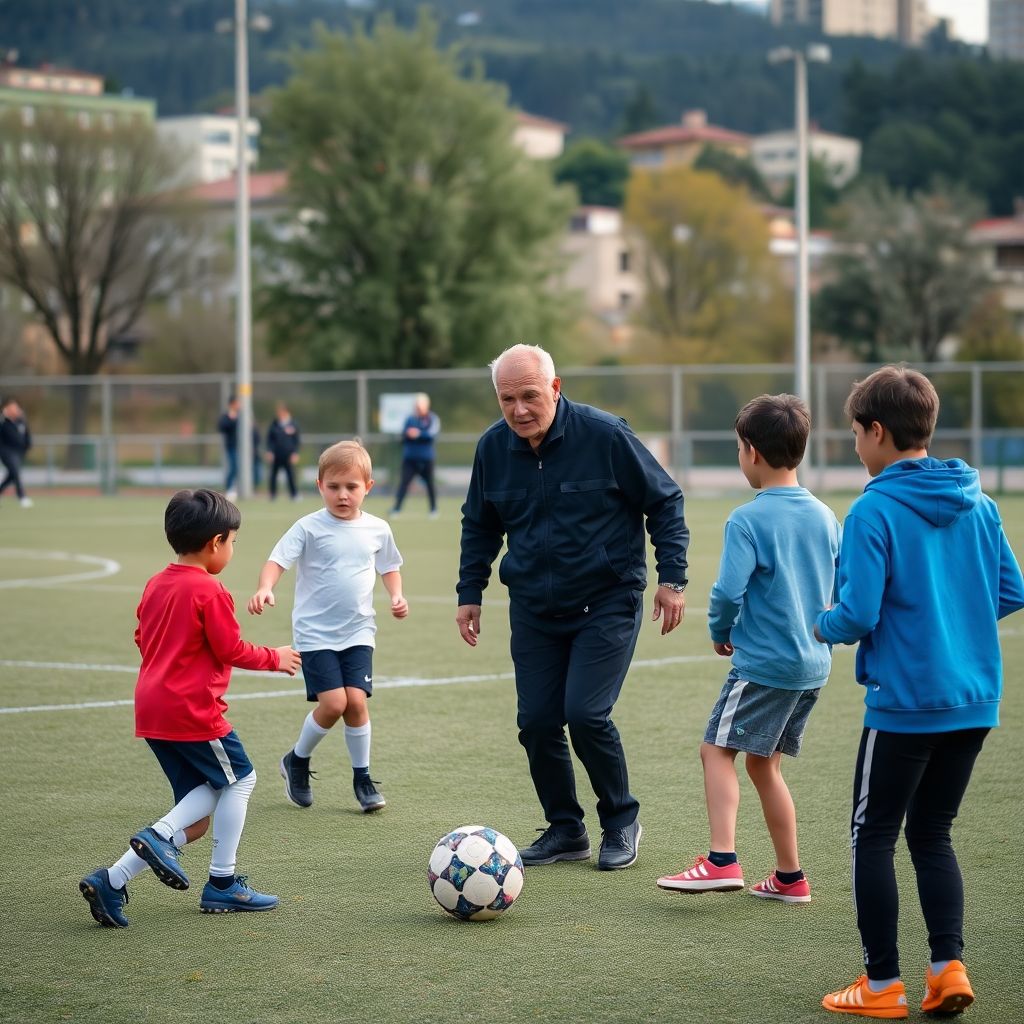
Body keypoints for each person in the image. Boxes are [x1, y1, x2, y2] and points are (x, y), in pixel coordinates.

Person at [816, 366, 1024, 1019]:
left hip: (905, 704)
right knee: (933, 833)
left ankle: (881, 986)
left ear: (877, 431)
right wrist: (953, 626)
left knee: (872, 835)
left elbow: (855, 615)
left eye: (855, 433)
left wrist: (816, 624)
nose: (854, 446)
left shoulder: (874, 507)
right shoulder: (980, 502)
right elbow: (1012, 591)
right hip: (973, 702)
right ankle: (947, 969)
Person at [456, 344, 689, 871]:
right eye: (507, 398)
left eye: (530, 396)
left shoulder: (605, 435)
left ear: (556, 388)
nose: (519, 410)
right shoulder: (493, 448)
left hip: (607, 599)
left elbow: (664, 500)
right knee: (537, 721)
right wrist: (470, 592)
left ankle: (621, 820)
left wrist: (672, 578)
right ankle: (565, 829)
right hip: (534, 607)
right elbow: (480, 524)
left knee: (584, 713)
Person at [79, 489, 302, 927]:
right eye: (233, 542)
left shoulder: (156, 582)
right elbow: (230, 648)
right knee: (241, 779)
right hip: (192, 709)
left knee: (196, 816)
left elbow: (142, 637)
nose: (233, 550)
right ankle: (222, 883)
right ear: (216, 542)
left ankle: (112, 880)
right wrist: (275, 658)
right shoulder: (210, 590)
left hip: (152, 708)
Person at [656, 394, 840, 903]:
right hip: (812, 668)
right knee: (764, 764)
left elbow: (727, 592)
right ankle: (789, 876)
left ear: (752, 452)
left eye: (739, 448)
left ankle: (721, 859)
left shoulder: (748, 519)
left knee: (715, 749)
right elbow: (840, 590)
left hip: (764, 665)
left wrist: (720, 629)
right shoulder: (827, 517)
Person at [249, 440, 408, 813]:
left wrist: (397, 596)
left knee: (356, 703)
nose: (342, 495)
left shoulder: (377, 529)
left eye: (351, 487)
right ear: (320, 485)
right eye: (333, 486)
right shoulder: (308, 527)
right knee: (334, 703)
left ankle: (363, 778)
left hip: (358, 630)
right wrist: (265, 587)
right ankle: (297, 760)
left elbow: (389, 566)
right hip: (314, 633)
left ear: (367, 487)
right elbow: (277, 560)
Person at [389, 392, 440, 517]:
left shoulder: (433, 419)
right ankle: (396, 509)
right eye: (416, 405)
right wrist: (408, 434)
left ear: (426, 405)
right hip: (410, 458)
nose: (418, 407)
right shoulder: (410, 419)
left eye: (420, 405)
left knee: (430, 484)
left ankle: (433, 510)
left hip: (426, 458)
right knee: (404, 483)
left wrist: (418, 434)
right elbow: (404, 435)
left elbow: (432, 435)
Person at [217, 396, 262, 500]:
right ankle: (230, 489)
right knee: (234, 467)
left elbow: (253, 431)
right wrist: (231, 419)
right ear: (232, 404)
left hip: (246, 449)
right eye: (237, 403)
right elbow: (222, 427)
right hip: (233, 447)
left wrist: (254, 444)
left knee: (251, 469)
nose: (239, 405)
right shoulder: (227, 416)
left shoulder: (244, 416)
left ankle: (248, 489)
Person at [0, 396, 33, 508]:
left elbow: (27, 436)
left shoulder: (21, 422)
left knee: (11, 475)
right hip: (7, 453)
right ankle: (22, 496)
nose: (15, 409)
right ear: (7, 409)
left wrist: (28, 445)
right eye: (12, 408)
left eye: (16, 407)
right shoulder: (3, 423)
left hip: (19, 453)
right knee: (15, 472)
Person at [266, 402, 301, 501]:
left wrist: (295, 453)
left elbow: (296, 440)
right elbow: (270, 439)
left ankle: (294, 495)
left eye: (281, 412)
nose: (279, 414)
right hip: (276, 455)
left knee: (290, 475)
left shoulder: (293, 424)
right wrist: (270, 451)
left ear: (286, 412)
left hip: (288, 455)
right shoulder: (274, 424)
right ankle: (272, 495)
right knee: (273, 475)